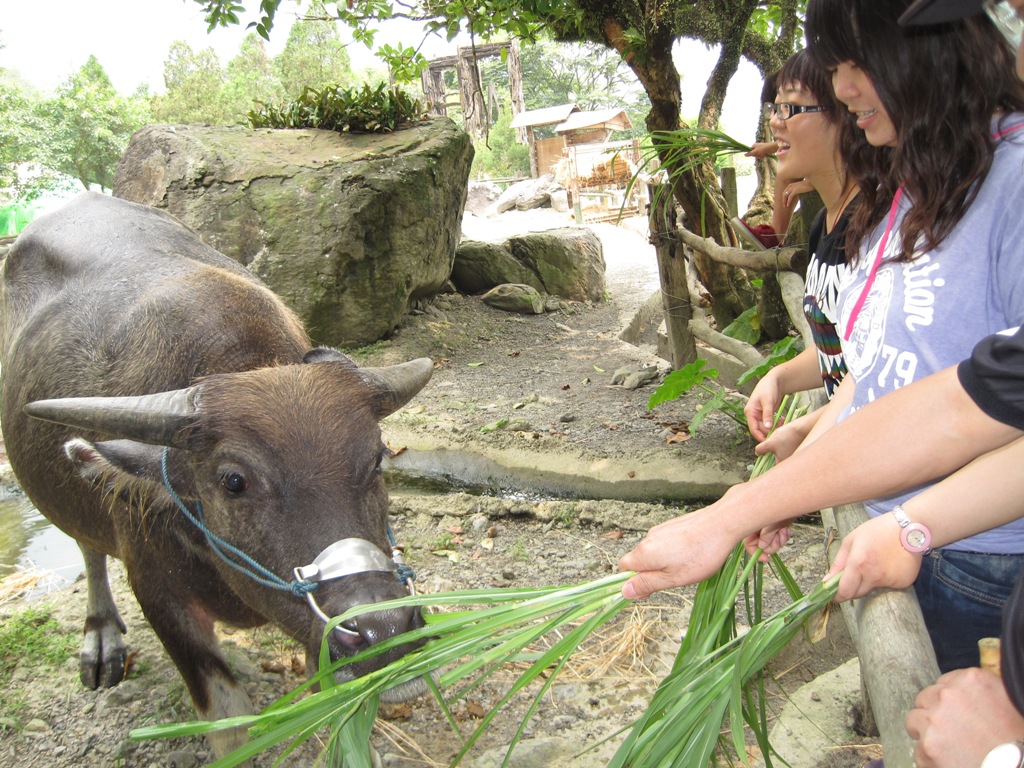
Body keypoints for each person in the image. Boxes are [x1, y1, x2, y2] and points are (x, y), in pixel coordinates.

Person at [623, 0, 1024, 674]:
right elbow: (899, 369)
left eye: (856, 61)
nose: (841, 88)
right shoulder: (930, 179)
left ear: (933, 44)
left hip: (981, 557)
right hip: (908, 526)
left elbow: (973, 403)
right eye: (836, 65)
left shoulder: (1011, 181)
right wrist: (806, 469)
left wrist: (742, 511)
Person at [741, 49, 862, 459]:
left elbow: (879, 374)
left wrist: (811, 432)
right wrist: (779, 376)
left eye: (790, 107)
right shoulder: (824, 224)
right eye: (776, 108)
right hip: (844, 443)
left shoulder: (875, 226)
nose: (775, 120)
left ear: (846, 115)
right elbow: (840, 349)